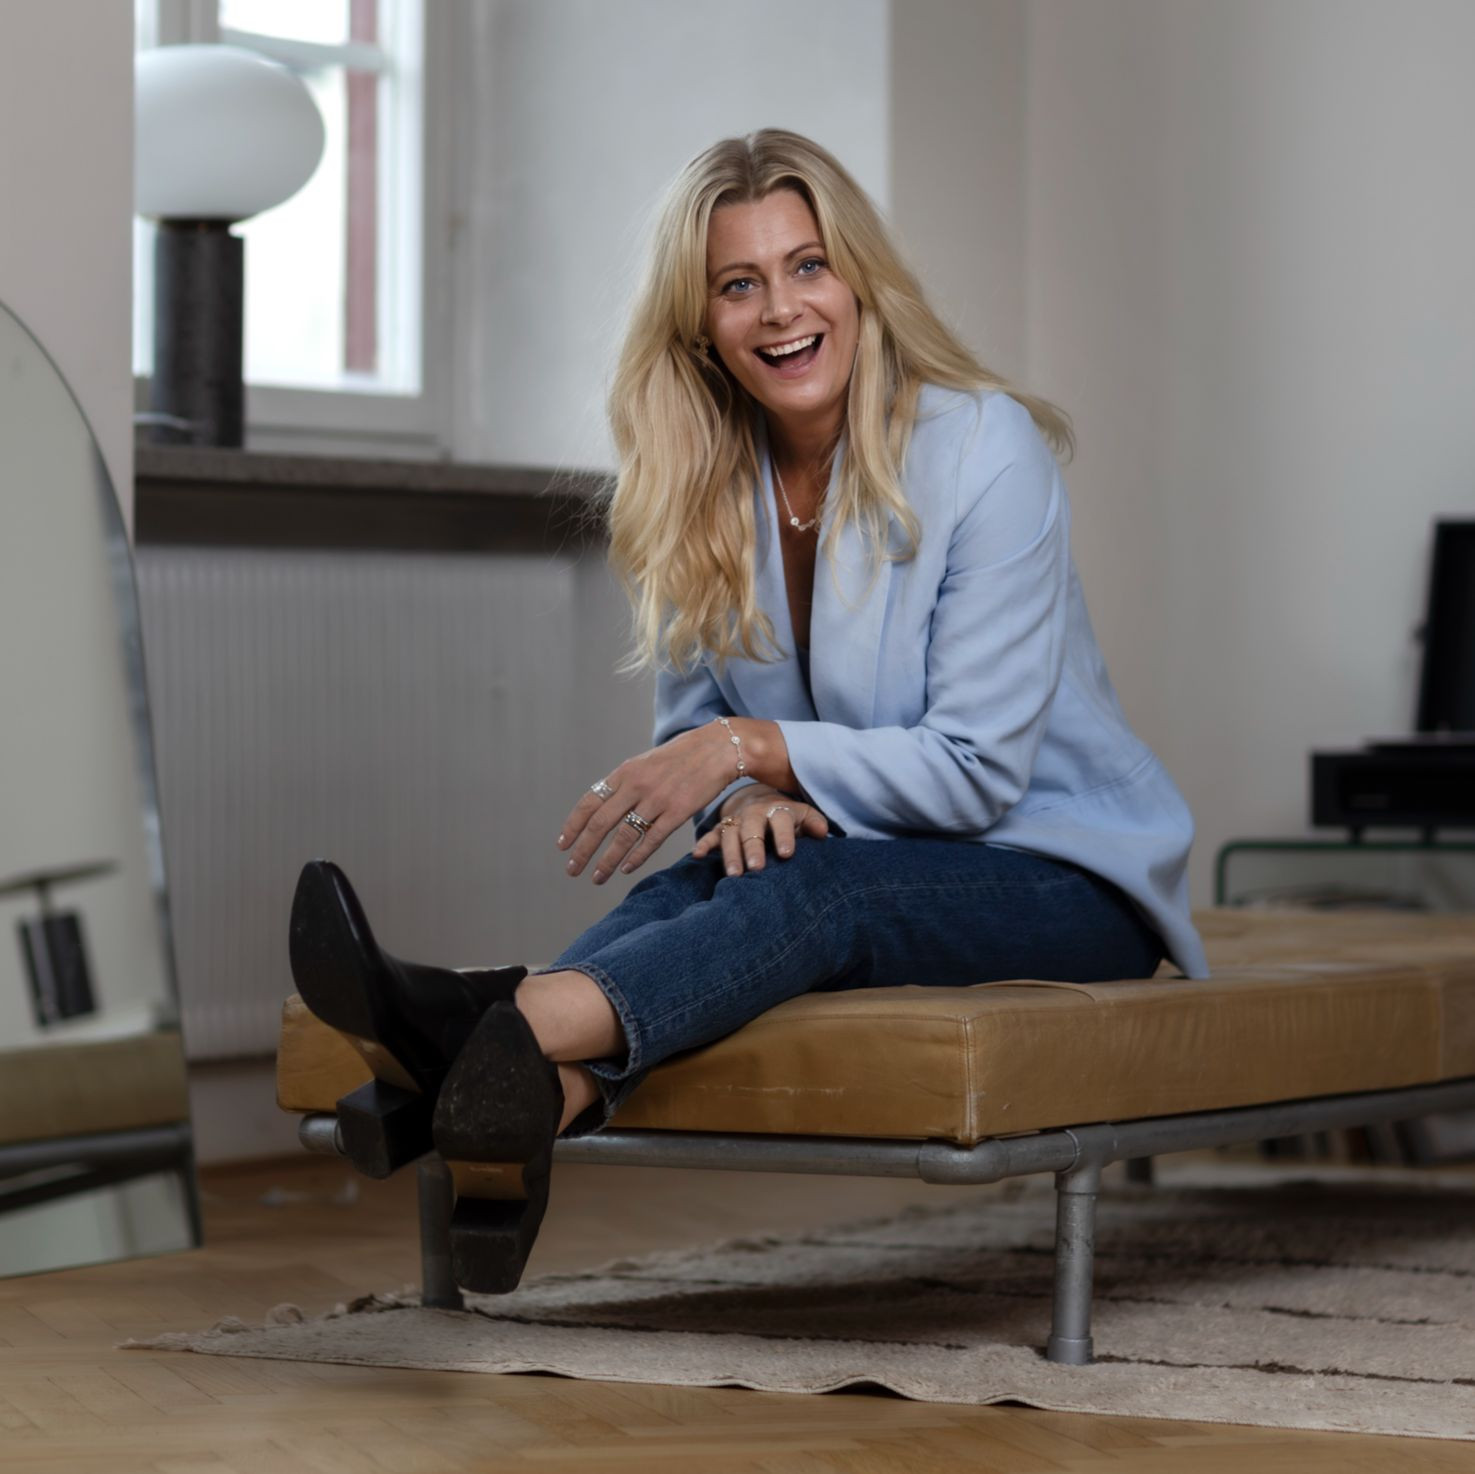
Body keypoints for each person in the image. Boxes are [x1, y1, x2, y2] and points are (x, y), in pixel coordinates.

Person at [288, 128, 1209, 1295]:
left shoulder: (983, 448)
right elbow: (699, 734)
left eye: (806, 266)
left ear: (858, 282)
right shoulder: (701, 478)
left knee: (813, 892)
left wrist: (757, 751)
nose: (780, 309)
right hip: (871, 850)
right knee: (701, 887)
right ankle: (529, 1095)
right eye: (738, 283)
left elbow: (976, 767)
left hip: (1059, 870)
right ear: (699, 324)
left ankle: (457, 1028)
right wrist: (735, 800)